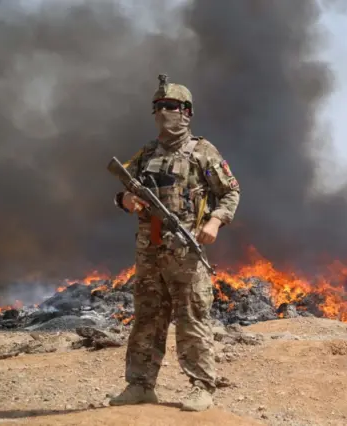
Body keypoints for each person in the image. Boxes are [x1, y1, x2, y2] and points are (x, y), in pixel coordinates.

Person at [109, 74, 240, 411]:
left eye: (170, 106)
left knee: (192, 317)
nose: (162, 112)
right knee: (146, 318)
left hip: (185, 252)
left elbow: (230, 192)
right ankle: (140, 384)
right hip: (149, 251)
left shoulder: (202, 152)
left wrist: (214, 221)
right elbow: (124, 188)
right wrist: (124, 200)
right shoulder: (146, 153)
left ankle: (201, 386)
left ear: (186, 112)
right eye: (157, 106)